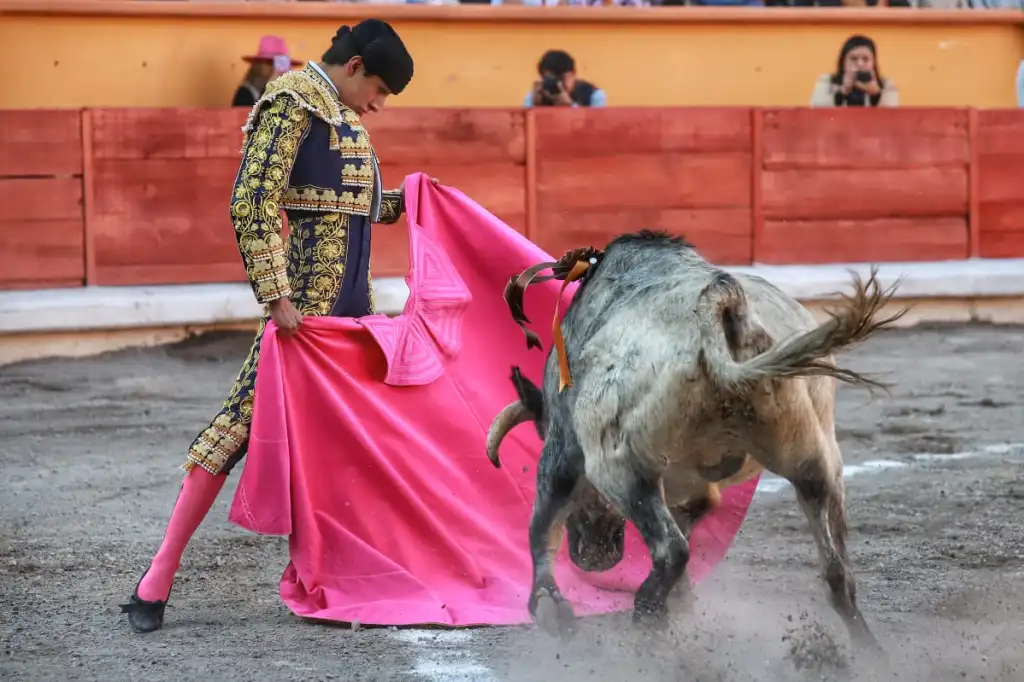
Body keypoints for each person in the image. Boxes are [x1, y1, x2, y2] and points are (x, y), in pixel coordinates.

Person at [120, 18, 432, 634]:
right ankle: (155, 579)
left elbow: (358, 208)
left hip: (354, 319)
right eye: (379, 89)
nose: (379, 104)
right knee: (236, 427)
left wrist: (419, 200)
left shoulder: (344, 117)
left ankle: (342, 576)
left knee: (355, 442)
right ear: (354, 68)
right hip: (305, 322)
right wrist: (276, 296)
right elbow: (252, 200)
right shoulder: (289, 102)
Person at [809, 35, 899, 108]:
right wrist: (843, 91)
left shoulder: (886, 85)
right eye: (853, 59)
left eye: (865, 59)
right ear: (843, 62)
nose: (860, 64)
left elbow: (893, 115)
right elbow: (816, 109)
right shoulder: (827, 81)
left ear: (873, 63)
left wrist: (876, 95)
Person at [231, 35, 302, 107]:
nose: (274, 69)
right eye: (269, 63)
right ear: (258, 64)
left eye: (278, 64)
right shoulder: (244, 93)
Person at [524, 49, 606, 108]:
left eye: (560, 78)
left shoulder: (593, 95)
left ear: (573, 74)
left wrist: (569, 106)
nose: (557, 84)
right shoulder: (535, 95)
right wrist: (535, 108)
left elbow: (596, 124)